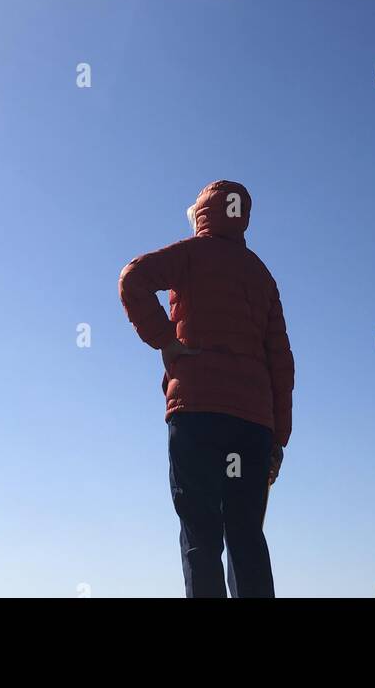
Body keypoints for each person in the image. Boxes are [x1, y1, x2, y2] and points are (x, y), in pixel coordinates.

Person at [118, 180, 294, 598]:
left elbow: (133, 279)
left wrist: (166, 340)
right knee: (246, 536)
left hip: (196, 412)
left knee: (200, 534)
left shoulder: (191, 255)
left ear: (202, 213)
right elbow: (282, 365)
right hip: (251, 426)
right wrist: (278, 440)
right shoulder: (261, 276)